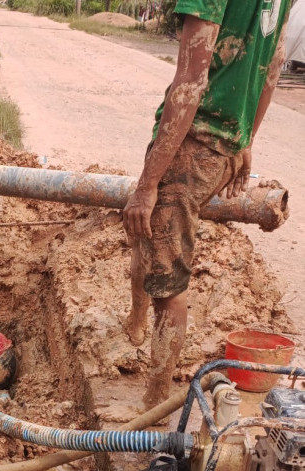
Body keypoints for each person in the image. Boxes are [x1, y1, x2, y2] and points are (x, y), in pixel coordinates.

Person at [123, 0, 289, 407]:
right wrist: (245, 140)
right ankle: (135, 319)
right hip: (227, 142)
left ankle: (155, 403)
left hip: (193, 144)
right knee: (148, 234)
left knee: (170, 283)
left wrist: (148, 183)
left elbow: (192, 82)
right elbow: (273, 65)